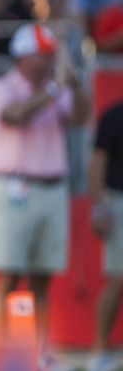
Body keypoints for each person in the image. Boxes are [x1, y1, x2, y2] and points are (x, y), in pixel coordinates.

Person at [0, 23, 88, 368]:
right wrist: (58, 87)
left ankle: (37, 352)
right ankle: (3, 354)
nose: (48, 61)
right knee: (9, 276)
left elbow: (81, 117)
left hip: (52, 187)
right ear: (25, 56)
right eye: (44, 55)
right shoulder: (0, 88)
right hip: (14, 187)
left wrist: (76, 84)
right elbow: (15, 115)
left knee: (42, 278)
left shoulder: (54, 89)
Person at [87, 101, 123, 371]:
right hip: (118, 200)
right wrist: (98, 207)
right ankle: (99, 349)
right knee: (119, 276)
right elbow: (98, 162)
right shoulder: (114, 115)